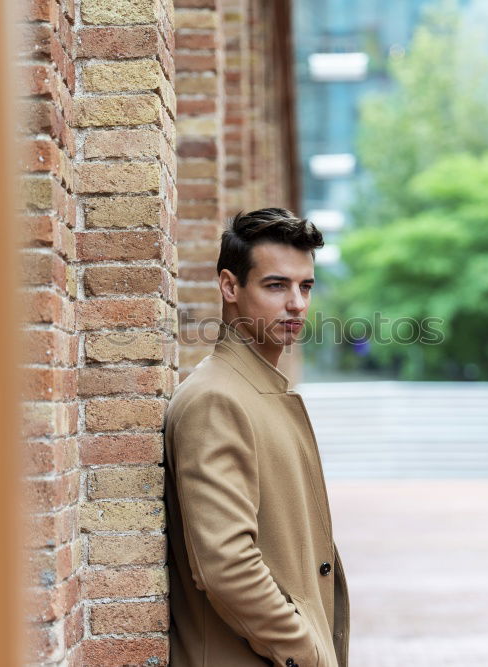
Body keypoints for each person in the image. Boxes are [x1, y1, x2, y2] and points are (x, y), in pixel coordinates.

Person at [163, 208, 350, 667]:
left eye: (305, 286)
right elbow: (226, 564)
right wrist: (307, 652)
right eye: (276, 285)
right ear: (230, 287)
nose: (297, 303)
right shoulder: (217, 399)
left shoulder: (258, 389)